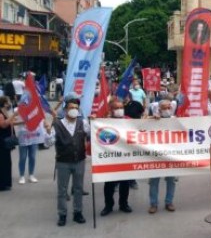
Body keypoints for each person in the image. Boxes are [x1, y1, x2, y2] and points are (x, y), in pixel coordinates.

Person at [44, 96, 90, 226]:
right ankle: (62, 214)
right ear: (65, 110)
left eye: (76, 108)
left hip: (80, 160)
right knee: (62, 190)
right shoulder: (57, 124)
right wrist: (47, 132)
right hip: (63, 161)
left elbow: (92, 134)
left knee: (78, 188)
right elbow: (49, 143)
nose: (74, 110)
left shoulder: (83, 123)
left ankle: (78, 212)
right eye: (71, 108)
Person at [101, 100, 133, 216]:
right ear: (111, 110)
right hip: (110, 158)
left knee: (125, 183)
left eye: (121, 107)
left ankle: (123, 204)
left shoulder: (128, 120)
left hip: (125, 157)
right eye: (116, 108)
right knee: (109, 184)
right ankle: (108, 206)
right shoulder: (104, 122)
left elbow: (140, 129)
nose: (119, 109)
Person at [148, 100, 178, 213]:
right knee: (154, 181)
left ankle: (169, 202)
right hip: (156, 156)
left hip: (171, 156)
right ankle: (153, 204)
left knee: (171, 180)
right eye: (164, 108)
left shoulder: (175, 119)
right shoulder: (154, 119)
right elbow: (141, 125)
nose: (167, 110)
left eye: (169, 107)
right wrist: (152, 119)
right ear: (159, 109)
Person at [13, 104, 49, 184]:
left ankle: (31, 175)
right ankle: (22, 176)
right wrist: (24, 121)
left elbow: (42, 117)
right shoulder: (17, 110)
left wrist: (45, 124)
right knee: (23, 157)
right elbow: (13, 122)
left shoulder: (36, 109)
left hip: (34, 135)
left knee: (32, 157)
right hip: (23, 136)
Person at [0, 96, 16, 191]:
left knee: (6, 162)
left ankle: (6, 182)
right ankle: (2, 184)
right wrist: (13, 116)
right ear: (4, 103)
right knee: (3, 162)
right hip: (1, 141)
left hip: (5, 141)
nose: (10, 103)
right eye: (8, 101)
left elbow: (10, 122)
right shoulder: (1, 114)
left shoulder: (5, 112)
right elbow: (3, 124)